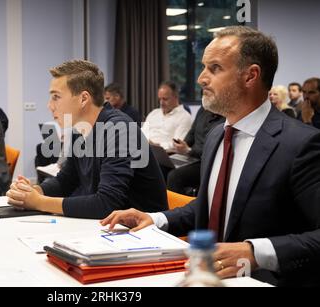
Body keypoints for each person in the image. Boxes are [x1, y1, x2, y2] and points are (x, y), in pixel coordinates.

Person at [101, 26, 320, 287]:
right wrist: (156, 218)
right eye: (204, 67)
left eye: (215, 68)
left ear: (250, 76)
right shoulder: (218, 136)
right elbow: (211, 205)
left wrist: (255, 252)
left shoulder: (301, 144)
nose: (201, 79)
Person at [6, 60, 168, 219]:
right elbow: (66, 180)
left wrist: (39, 202)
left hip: (143, 235)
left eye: (56, 97)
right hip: (112, 229)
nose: (50, 105)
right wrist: (34, 191)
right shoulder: (80, 129)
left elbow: (106, 204)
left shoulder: (119, 128)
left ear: (84, 98)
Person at [167, 107, 225, 195]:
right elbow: (192, 132)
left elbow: (213, 150)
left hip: (206, 162)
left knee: (174, 176)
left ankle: (178, 207)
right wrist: (182, 144)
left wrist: (189, 151)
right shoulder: (202, 110)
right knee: (163, 166)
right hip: (190, 156)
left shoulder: (226, 119)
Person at [144, 82, 192, 152]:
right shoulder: (153, 113)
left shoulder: (184, 117)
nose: (161, 103)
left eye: (165, 99)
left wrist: (157, 146)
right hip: (145, 151)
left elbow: (177, 144)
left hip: (165, 154)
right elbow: (143, 133)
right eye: (160, 99)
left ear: (176, 97)